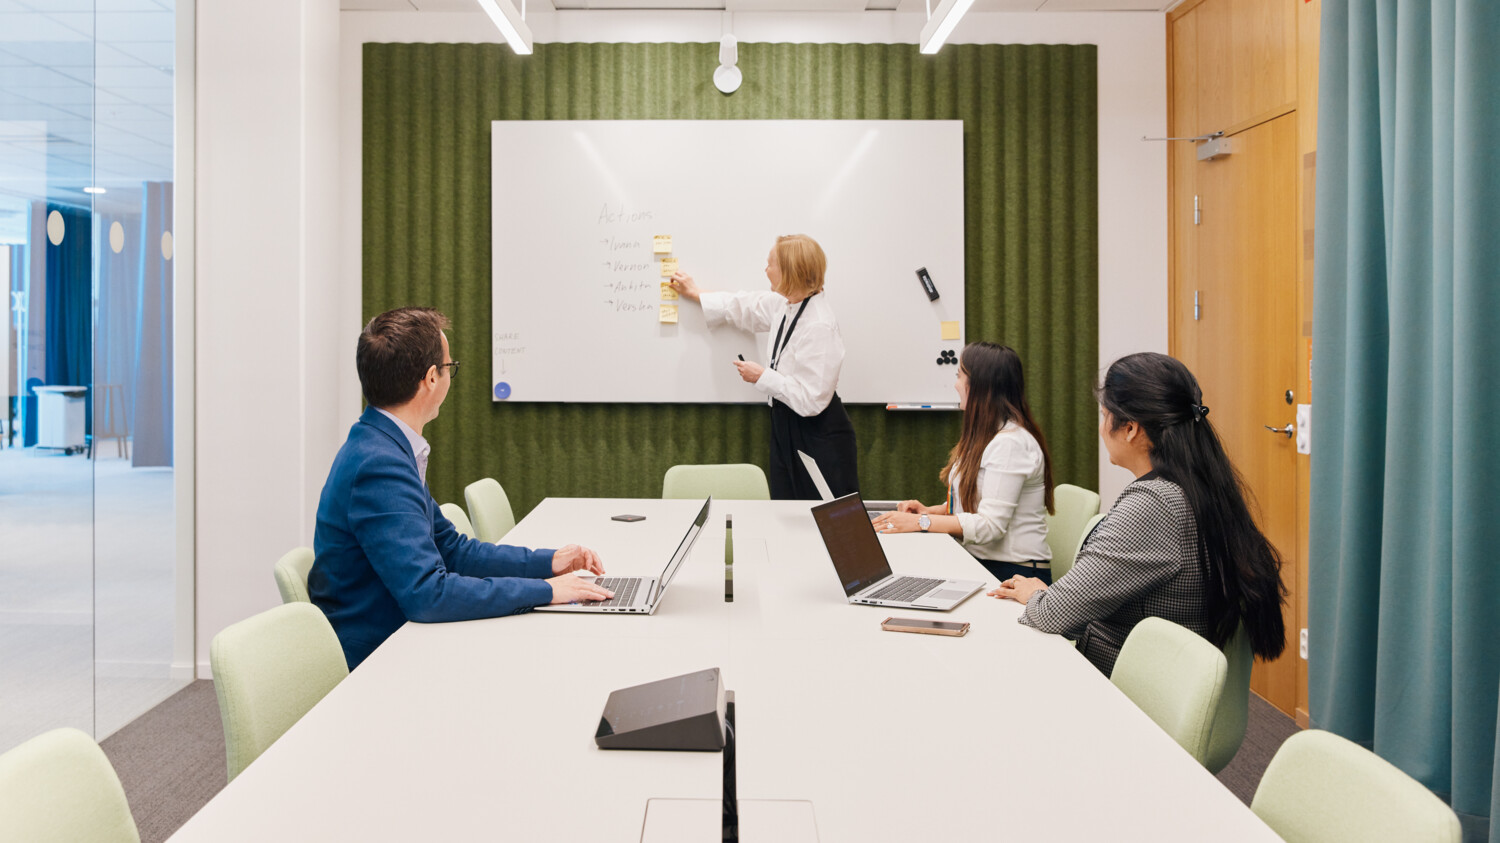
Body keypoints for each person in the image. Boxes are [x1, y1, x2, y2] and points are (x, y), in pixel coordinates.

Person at [310, 307, 614, 670]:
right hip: (381, 659)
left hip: (404, 638)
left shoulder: (383, 445)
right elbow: (428, 594)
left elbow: (453, 551)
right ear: (431, 380)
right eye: (449, 366)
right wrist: (548, 591)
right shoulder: (379, 465)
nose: (449, 374)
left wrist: (548, 563)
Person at [991, 352, 1288, 676]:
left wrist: (1037, 594)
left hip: (1121, 691)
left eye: (1105, 415)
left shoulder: (1152, 506)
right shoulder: (1199, 485)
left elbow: (1053, 615)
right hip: (1159, 677)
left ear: (1130, 428)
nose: (1102, 428)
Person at [668, 234, 858, 500]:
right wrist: (695, 293)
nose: (765, 270)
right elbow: (743, 306)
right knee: (787, 507)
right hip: (785, 426)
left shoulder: (819, 324)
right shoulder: (787, 305)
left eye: (770, 264)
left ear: (790, 271)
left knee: (820, 519)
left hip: (818, 435)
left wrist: (762, 376)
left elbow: (811, 400)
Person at [870, 342, 1055, 583]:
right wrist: (930, 511)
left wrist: (920, 521)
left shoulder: (1011, 444)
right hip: (987, 563)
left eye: (959, 376)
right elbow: (977, 506)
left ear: (980, 386)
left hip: (1014, 575)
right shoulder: (990, 436)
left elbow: (990, 527)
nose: (955, 384)